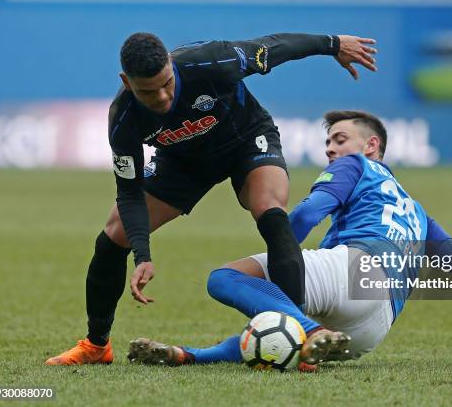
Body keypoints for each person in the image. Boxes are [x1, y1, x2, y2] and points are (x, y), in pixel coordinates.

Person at [45, 33, 377, 365]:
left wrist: (332, 44)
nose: (161, 97)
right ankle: (96, 346)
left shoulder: (212, 61)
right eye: (148, 91)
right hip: (182, 164)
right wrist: (142, 254)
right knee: (114, 234)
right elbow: (129, 194)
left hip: (245, 140)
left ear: (171, 66)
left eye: (167, 84)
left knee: (269, 208)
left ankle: (301, 339)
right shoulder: (123, 118)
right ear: (126, 83)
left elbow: (275, 48)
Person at [128, 110, 452, 369]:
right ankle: (189, 356)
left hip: (355, 274)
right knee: (276, 329)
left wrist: (282, 251)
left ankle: (311, 329)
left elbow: (308, 215)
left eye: (340, 139)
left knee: (225, 278)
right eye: (328, 142)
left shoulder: (354, 167)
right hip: (374, 329)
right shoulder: (417, 213)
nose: (331, 149)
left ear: (371, 146)